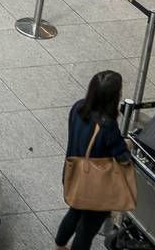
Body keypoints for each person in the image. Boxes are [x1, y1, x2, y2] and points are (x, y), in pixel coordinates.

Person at [56, 71, 130, 250]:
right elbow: (123, 157)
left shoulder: (78, 107)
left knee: (74, 211)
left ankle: (59, 245)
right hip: (95, 187)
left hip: (73, 174)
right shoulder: (108, 126)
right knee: (87, 229)